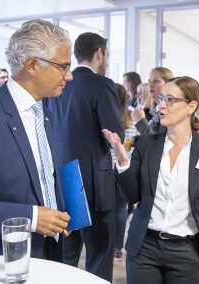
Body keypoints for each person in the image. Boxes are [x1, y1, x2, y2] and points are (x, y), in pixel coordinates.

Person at [102, 76, 199, 284]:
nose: (161, 105)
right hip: (145, 248)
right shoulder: (146, 145)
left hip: (189, 252)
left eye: (170, 100)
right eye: (161, 98)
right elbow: (132, 196)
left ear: (191, 107)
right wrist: (123, 161)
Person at [0, 19, 72, 261]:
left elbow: (43, 176)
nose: (69, 76)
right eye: (63, 67)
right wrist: (31, 218)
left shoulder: (45, 113)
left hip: (48, 252)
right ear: (32, 65)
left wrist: (59, 214)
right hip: (2, 259)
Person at [45, 32, 124, 282]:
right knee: (99, 253)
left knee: (66, 253)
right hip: (94, 184)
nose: (107, 60)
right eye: (107, 55)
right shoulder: (102, 84)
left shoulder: (57, 85)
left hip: (62, 178)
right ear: (99, 53)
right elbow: (114, 134)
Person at [112, 83, 139, 261]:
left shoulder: (107, 120)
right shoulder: (131, 121)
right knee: (121, 209)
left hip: (107, 168)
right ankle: (117, 247)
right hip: (124, 168)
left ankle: (106, 243)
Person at [131, 67, 174, 135]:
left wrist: (140, 121)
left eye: (156, 81)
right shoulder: (156, 108)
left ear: (168, 84)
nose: (150, 85)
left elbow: (158, 143)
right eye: (149, 81)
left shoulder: (170, 110)